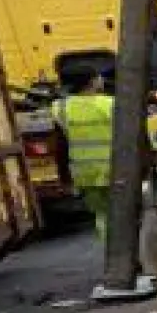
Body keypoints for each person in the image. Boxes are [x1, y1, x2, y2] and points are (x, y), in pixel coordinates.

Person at [53, 68, 115, 241]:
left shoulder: (61, 108)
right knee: (123, 214)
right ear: (92, 81)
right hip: (115, 169)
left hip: (84, 173)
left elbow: (61, 146)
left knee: (102, 214)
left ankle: (111, 251)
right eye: (99, 77)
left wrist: (64, 176)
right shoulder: (110, 104)